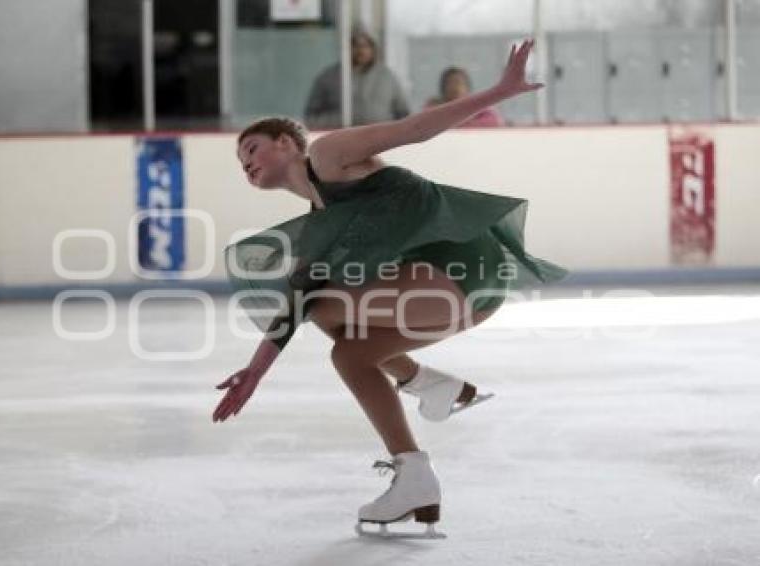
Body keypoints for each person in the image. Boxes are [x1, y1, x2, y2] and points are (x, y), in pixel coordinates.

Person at [215, 39, 567, 538]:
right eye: (239, 160)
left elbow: (414, 129)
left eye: (250, 148)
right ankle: (415, 471)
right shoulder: (319, 221)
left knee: (320, 304)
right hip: (454, 296)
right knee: (349, 353)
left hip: (465, 270)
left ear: (286, 144)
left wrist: (498, 91)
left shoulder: (328, 156)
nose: (244, 163)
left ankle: (429, 385)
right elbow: (296, 301)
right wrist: (253, 374)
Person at [304, 27, 410, 128]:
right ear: (346, 48)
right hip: (342, 139)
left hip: (382, 139)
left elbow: (403, 113)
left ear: (373, 49)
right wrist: (339, 122)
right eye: (355, 45)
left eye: (366, 45)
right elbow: (311, 117)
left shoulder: (388, 77)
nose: (361, 50)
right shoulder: (328, 77)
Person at [425, 66, 504, 128]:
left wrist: (462, 125)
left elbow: (494, 121)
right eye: (450, 83)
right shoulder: (435, 107)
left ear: (467, 86)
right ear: (443, 87)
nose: (454, 87)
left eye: (458, 82)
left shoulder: (477, 105)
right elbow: (426, 125)